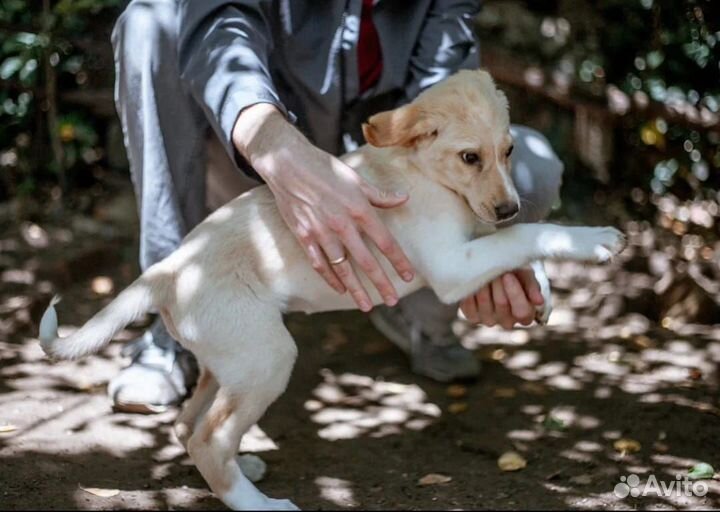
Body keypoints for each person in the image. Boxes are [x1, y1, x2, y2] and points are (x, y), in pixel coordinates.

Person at [109, 0, 563, 412]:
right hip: (256, 164)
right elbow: (220, 25)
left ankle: (417, 312)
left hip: (384, 178)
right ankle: (171, 329)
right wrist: (276, 150)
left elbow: (441, 93)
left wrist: (489, 241)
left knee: (532, 171)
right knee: (150, 22)